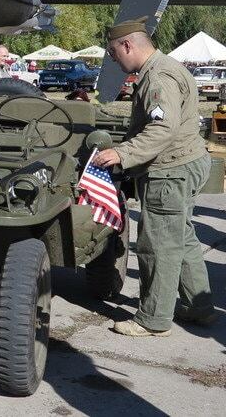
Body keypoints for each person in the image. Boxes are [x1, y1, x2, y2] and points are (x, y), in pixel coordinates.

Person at [94, 17, 215, 337]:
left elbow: (162, 128)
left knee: (158, 244)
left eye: (112, 52)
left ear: (127, 45)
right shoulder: (164, 68)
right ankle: (197, 306)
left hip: (170, 171)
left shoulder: (157, 76)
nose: (113, 58)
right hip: (186, 163)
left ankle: (153, 319)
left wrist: (123, 154)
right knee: (182, 238)